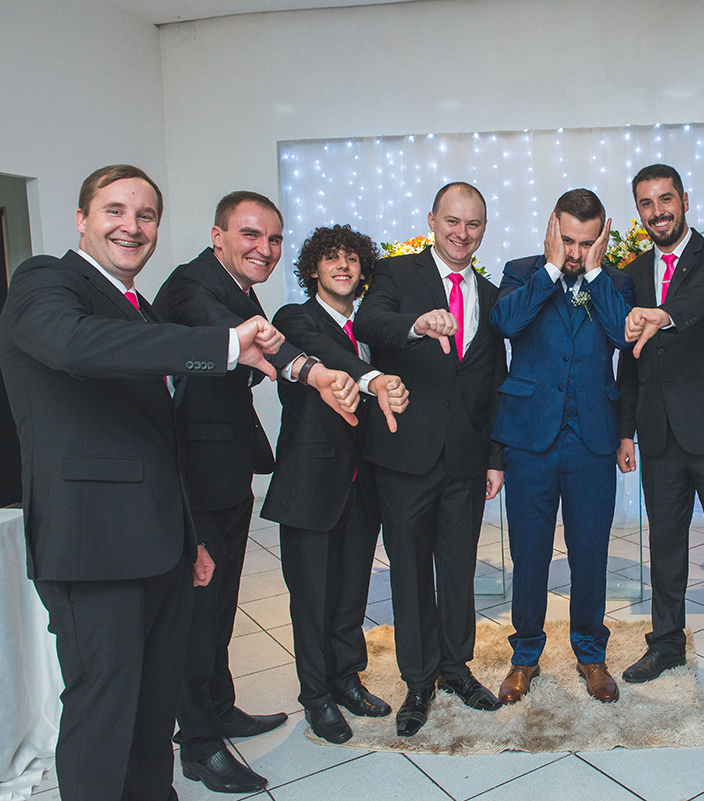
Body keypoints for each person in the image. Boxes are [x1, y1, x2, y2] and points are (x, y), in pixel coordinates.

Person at [0, 165, 286, 801]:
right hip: (93, 545)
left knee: (153, 714)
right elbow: (76, 347)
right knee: (105, 718)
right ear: (82, 220)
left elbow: (161, 441)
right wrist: (220, 346)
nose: (131, 226)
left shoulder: (142, 307)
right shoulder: (47, 281)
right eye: (114, 211)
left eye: (146, 215)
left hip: (161, 544)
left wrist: (191, 540)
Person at [155, 191, 358, 791]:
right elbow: (256, 340)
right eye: (250, 235)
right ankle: (197, 742)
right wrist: (316, 372)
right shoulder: (194, 285)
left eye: (273, 239)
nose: (264, 249)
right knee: (197, 610)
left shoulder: (237, 286)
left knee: (219, 606)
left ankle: (218, 707)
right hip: (192, 474)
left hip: (226, 467)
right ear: (218, 235)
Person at [355, 181, 507, 737]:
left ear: (483, 229)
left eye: (473, 225)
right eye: (452, 222)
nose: (462, 234)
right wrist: (416, 324)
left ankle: (454, 667)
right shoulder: (398, 276)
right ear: (432, 221)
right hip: (404, 457)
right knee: (412, 573)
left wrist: (495, 458)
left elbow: (493, 381)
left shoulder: (491, 297)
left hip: (466, 461)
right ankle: (418, 680)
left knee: (459, 570)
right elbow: (367, 324)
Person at [615, 164, 704, 711]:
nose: (658, 212)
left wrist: (663, 315)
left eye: (666, 199)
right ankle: (667, 645)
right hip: (658, 435)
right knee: (665, 548)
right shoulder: (629, 271)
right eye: (647, 204)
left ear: (684, 200)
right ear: (639, 212)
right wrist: (624, 430)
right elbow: (626, 362)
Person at [261, 225, 410, 743]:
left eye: (352, 259)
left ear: (363, 270)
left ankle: (347, 678)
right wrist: (372, 379)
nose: (342, 266)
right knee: (311, 600)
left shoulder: (369, 329)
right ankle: (316, 696)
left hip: (362, 484)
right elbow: (321, 351)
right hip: (310, 484)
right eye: (331, 259)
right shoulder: (294, 320)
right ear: (314, 269)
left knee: (350, 594)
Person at [489, 189, 635, 704]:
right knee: (529, 554)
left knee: (590, 553)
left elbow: (624, 339)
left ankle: (591, 655)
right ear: (553, 226)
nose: (576, 252)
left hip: (592, 438)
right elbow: (506, 324)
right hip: (530, 438)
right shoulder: (520, 270)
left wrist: (594, 275)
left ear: (603, 235)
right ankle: (525, 656)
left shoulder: (615, 281)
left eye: (587, 243)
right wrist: (551, 271)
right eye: (568, 241)